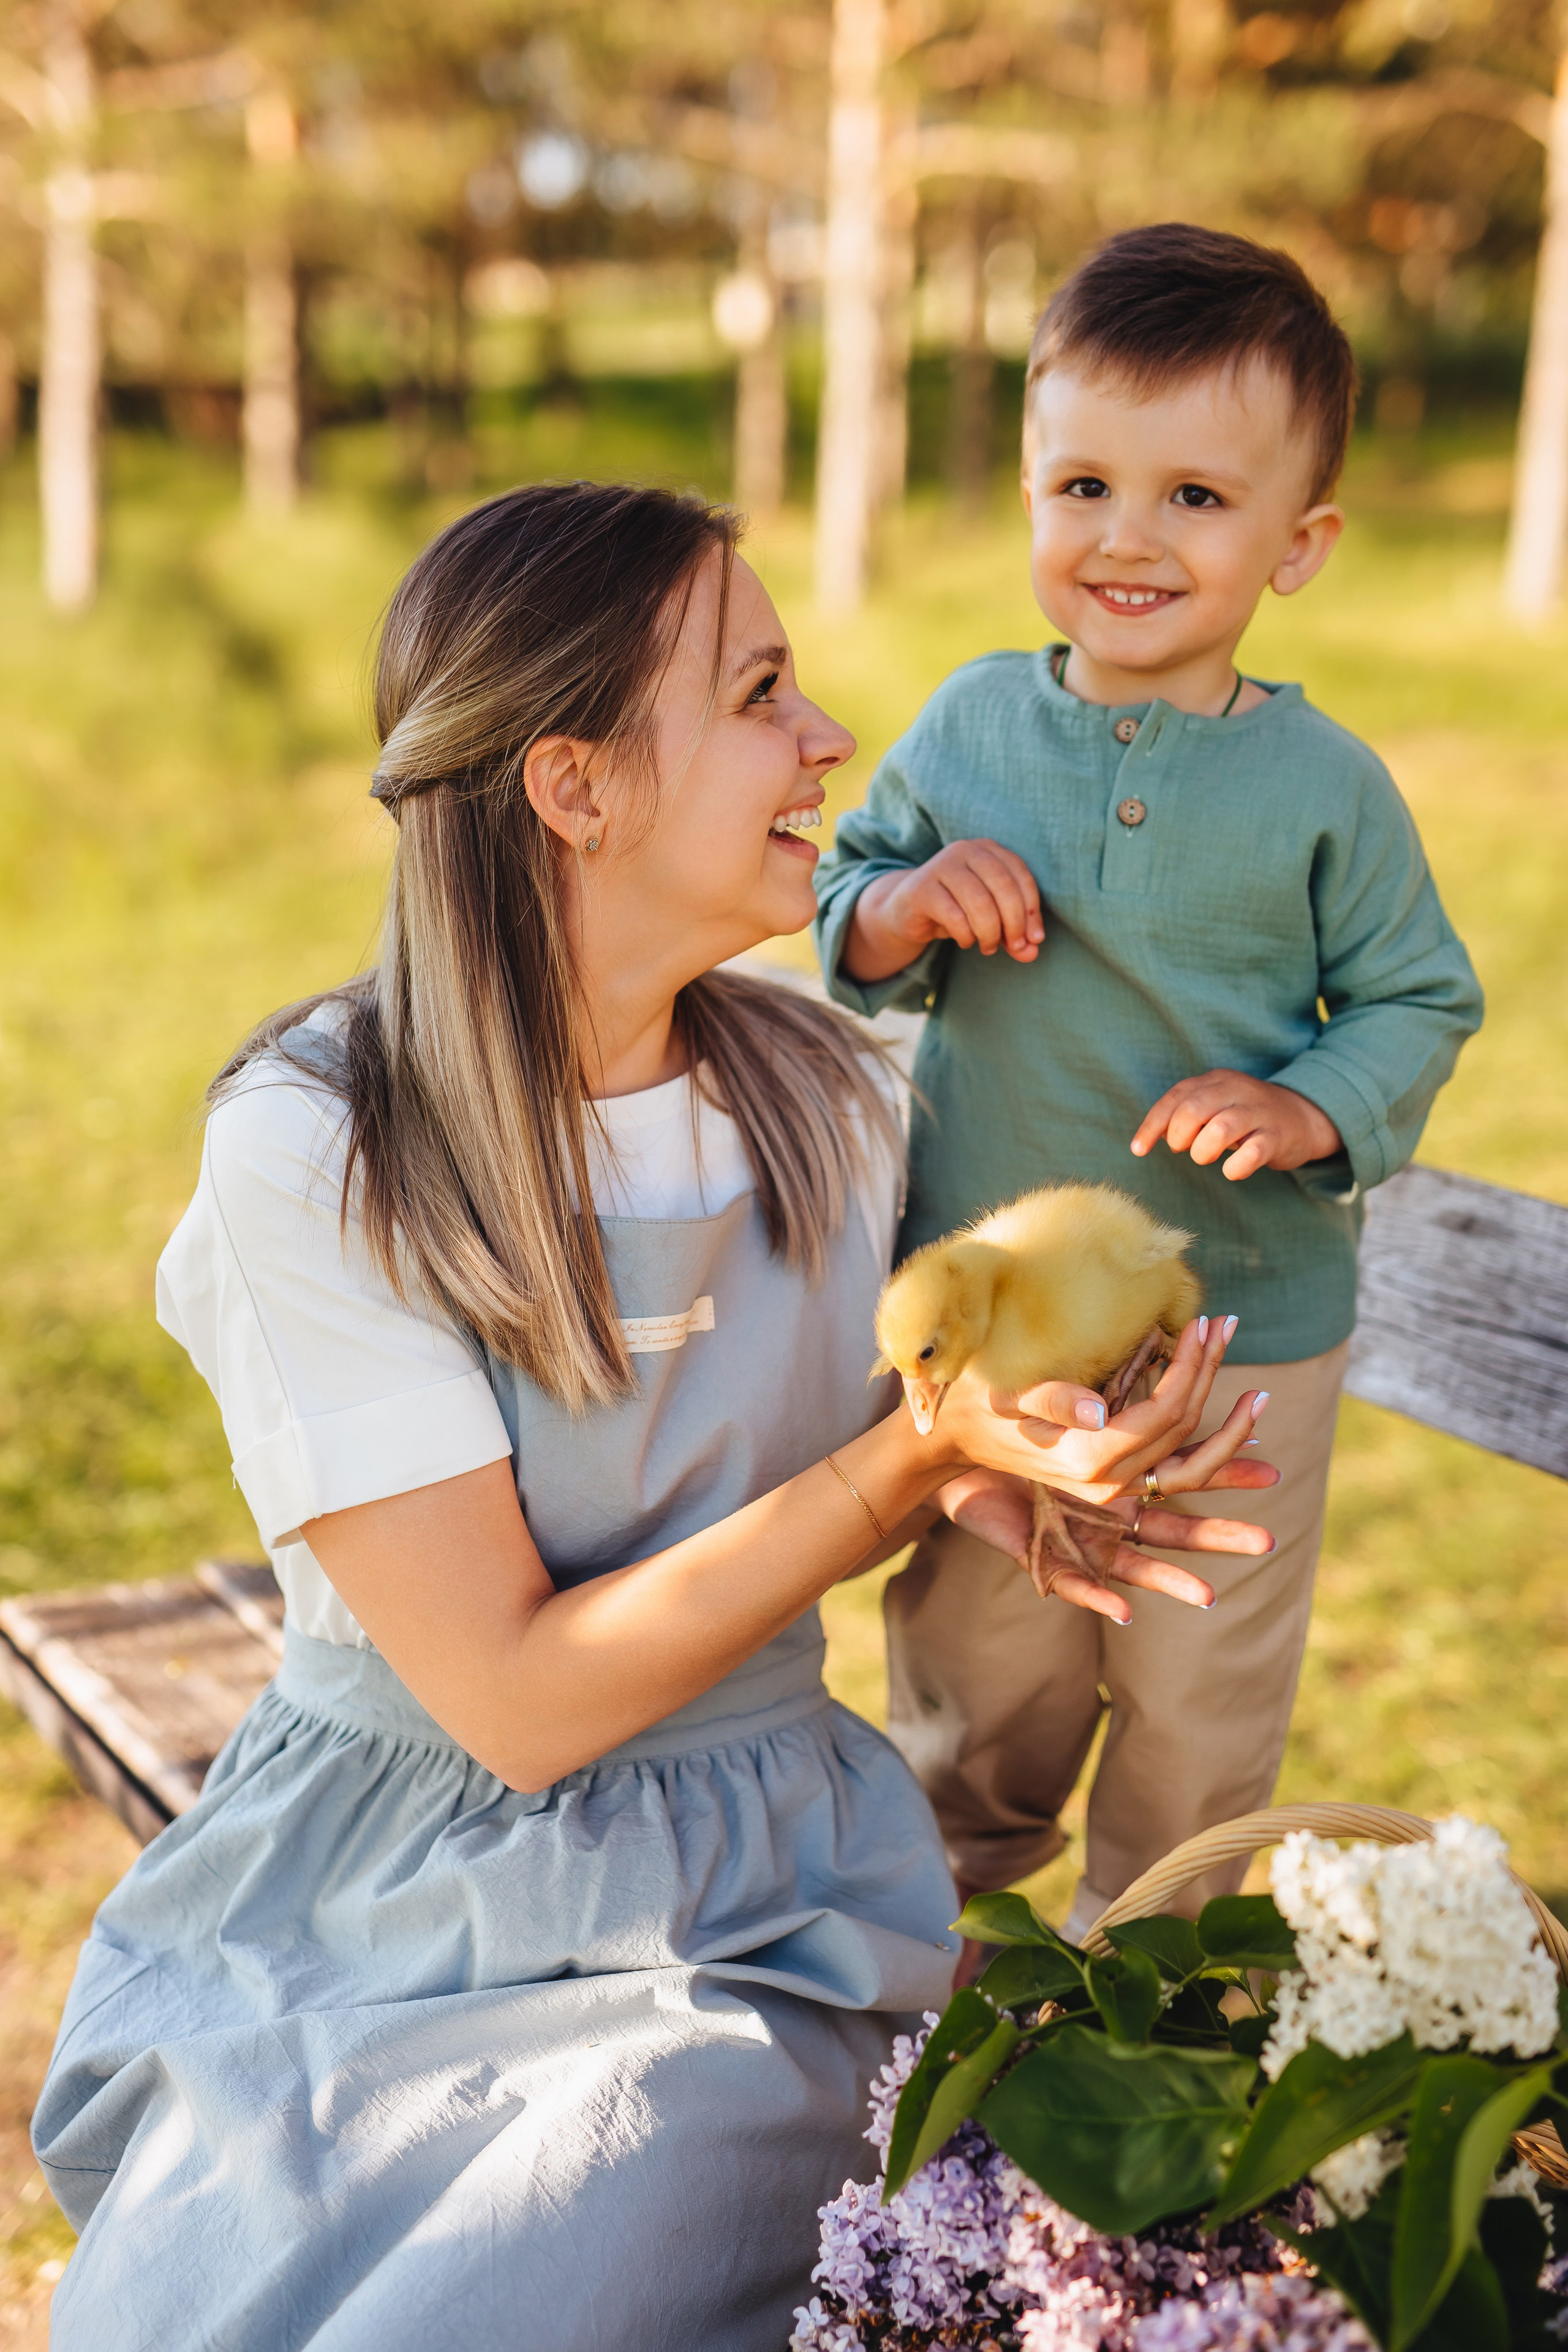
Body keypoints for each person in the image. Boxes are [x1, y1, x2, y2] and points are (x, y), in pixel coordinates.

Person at [32, 481, 1271, 2352]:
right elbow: (522, 1703)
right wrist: (911, 1464)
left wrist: (1013, 1477)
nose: (829, 736)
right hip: (389, 1895)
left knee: (600, 2210)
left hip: (758, 1895)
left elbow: (854, 1422)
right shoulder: (320, 1141)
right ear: (575, 785)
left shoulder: (831, 1094)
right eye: (761, 688)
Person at [813, 223, 1485, 1945]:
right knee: (985, 1665)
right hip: (1000, 1323)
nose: (1127, 535)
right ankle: (938, 1950)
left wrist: (1312, 1102)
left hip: (1241, 1332)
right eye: (1086, 484)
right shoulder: (967, 725)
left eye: (1196, 497)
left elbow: (1417, 995)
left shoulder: (1326, 784)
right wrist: (901, 904)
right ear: (1033, 494)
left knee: (1196, 1699)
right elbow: (842, 905)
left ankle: (1150, 1977)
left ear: (1300, 542)